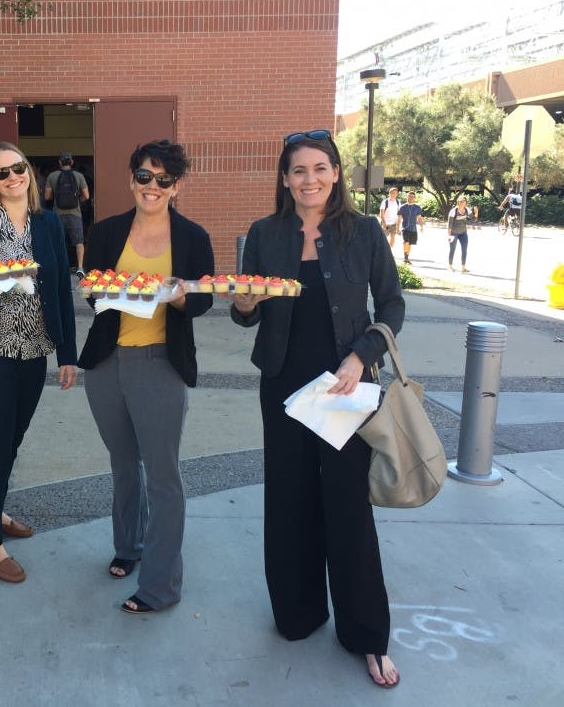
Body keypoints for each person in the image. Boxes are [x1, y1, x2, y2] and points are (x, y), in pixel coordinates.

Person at [230, 129, 404, 688]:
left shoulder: (365, 232)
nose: (310, 179)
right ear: (284, 179)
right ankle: (298, 614)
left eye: (320, 168)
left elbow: (393, 304)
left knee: (349, 509)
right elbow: (245, 313)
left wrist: (361, 356)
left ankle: (366, 634)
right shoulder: (263, 234)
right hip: (283, 387)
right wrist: (245, 301)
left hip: (343, 389)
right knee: (289, 501)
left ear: (336, 173)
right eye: (298, 170)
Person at [78, 140, 214, 614]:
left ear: (177, 186)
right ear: (130, 180)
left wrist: (177, 297)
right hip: (107, 363)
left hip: (161, 362)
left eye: (163, 179)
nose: (151, 186)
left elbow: (202, 298)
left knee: (162, 475)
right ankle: (128, 545)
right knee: (122, 463)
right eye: (143, 177)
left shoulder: (192, 237)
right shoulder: (108, 230)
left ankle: (159, 585)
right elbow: (94, 292)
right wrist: (99, 290)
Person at [0, 142, 77, 584]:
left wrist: (67, 354)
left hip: (33, 351)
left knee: (13, 440)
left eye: (18, 169)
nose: (12, 178)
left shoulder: (48, 224)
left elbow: (61, 287)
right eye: (1, 173)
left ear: (29, 171)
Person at [45, 151, 90, 277]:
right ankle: (80, 267)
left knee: (58, 241)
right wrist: (76, 201)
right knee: (79, 242)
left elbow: (47, 196)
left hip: (57, 214)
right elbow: (86, 195)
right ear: (71, 162)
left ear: (59, 162)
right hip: (75, 214)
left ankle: (59, 266)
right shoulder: (79, 176)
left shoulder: (52, 176)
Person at [396, 189, 424, 264]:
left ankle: (407, 256)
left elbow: (419, 218)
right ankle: (405, 258)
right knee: (406, 242)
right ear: (407, 197)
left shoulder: (417, 207)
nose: (411, 198)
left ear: (414, 198)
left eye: (412, 197)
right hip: (405, 228)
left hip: (413, 229)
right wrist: (397, 228)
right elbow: (399, 219)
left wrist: (421, 227)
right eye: (409, 196)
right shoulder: (402, 207)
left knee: (410, 243)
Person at [447, 195, 472, 272]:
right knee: (452, 249)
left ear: (465, 203)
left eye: (463, 201)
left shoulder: (467, 210)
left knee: (464, 249)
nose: (462, 203)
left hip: (463, 233)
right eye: (460, 201)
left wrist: (476, 213)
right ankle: (450, 266)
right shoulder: (453, 211)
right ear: (458, 202)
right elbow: (449, 224)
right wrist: (449, 235)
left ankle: (463, 267)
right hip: (454, 233)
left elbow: (473, 219)